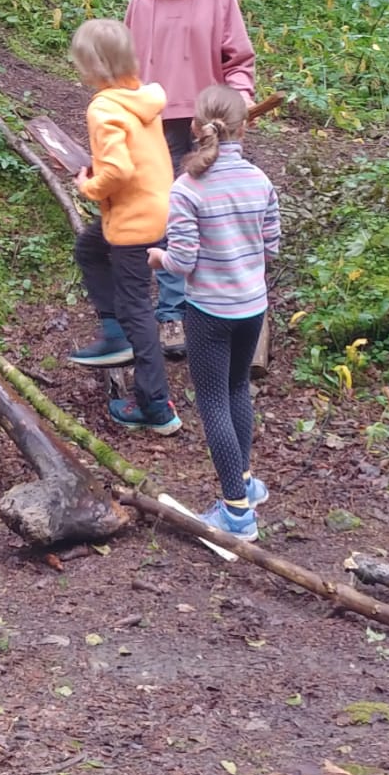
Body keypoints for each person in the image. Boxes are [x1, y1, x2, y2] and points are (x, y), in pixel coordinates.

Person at [149, 86, 280, 540]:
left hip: (208, 311)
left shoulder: (187, 189)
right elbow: (271, 246)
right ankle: (245, 481)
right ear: (245, 128)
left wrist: (159, 259)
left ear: (194, 127)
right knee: (238, 387)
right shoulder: (260, 181)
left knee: (212, 401)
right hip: (252, 308)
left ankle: (236, 512)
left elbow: (183, 260)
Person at [124, 0, 256, 361]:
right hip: (157, 122)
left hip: (209, 122)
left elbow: (238, 61)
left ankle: (228, 304)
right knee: (170, 214)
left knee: (215, 211)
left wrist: (238, 99)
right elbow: (129, 66)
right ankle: (172, 313)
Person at [62, 18, 180, 435]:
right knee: (90, 248)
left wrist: (89, 187)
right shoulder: (141, 97)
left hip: (134, 222)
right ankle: (114, 332)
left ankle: (155, 406)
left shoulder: (104, 107)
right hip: (157, 208)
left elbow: (118, 169)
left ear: (92, 65)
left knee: (137, 310)